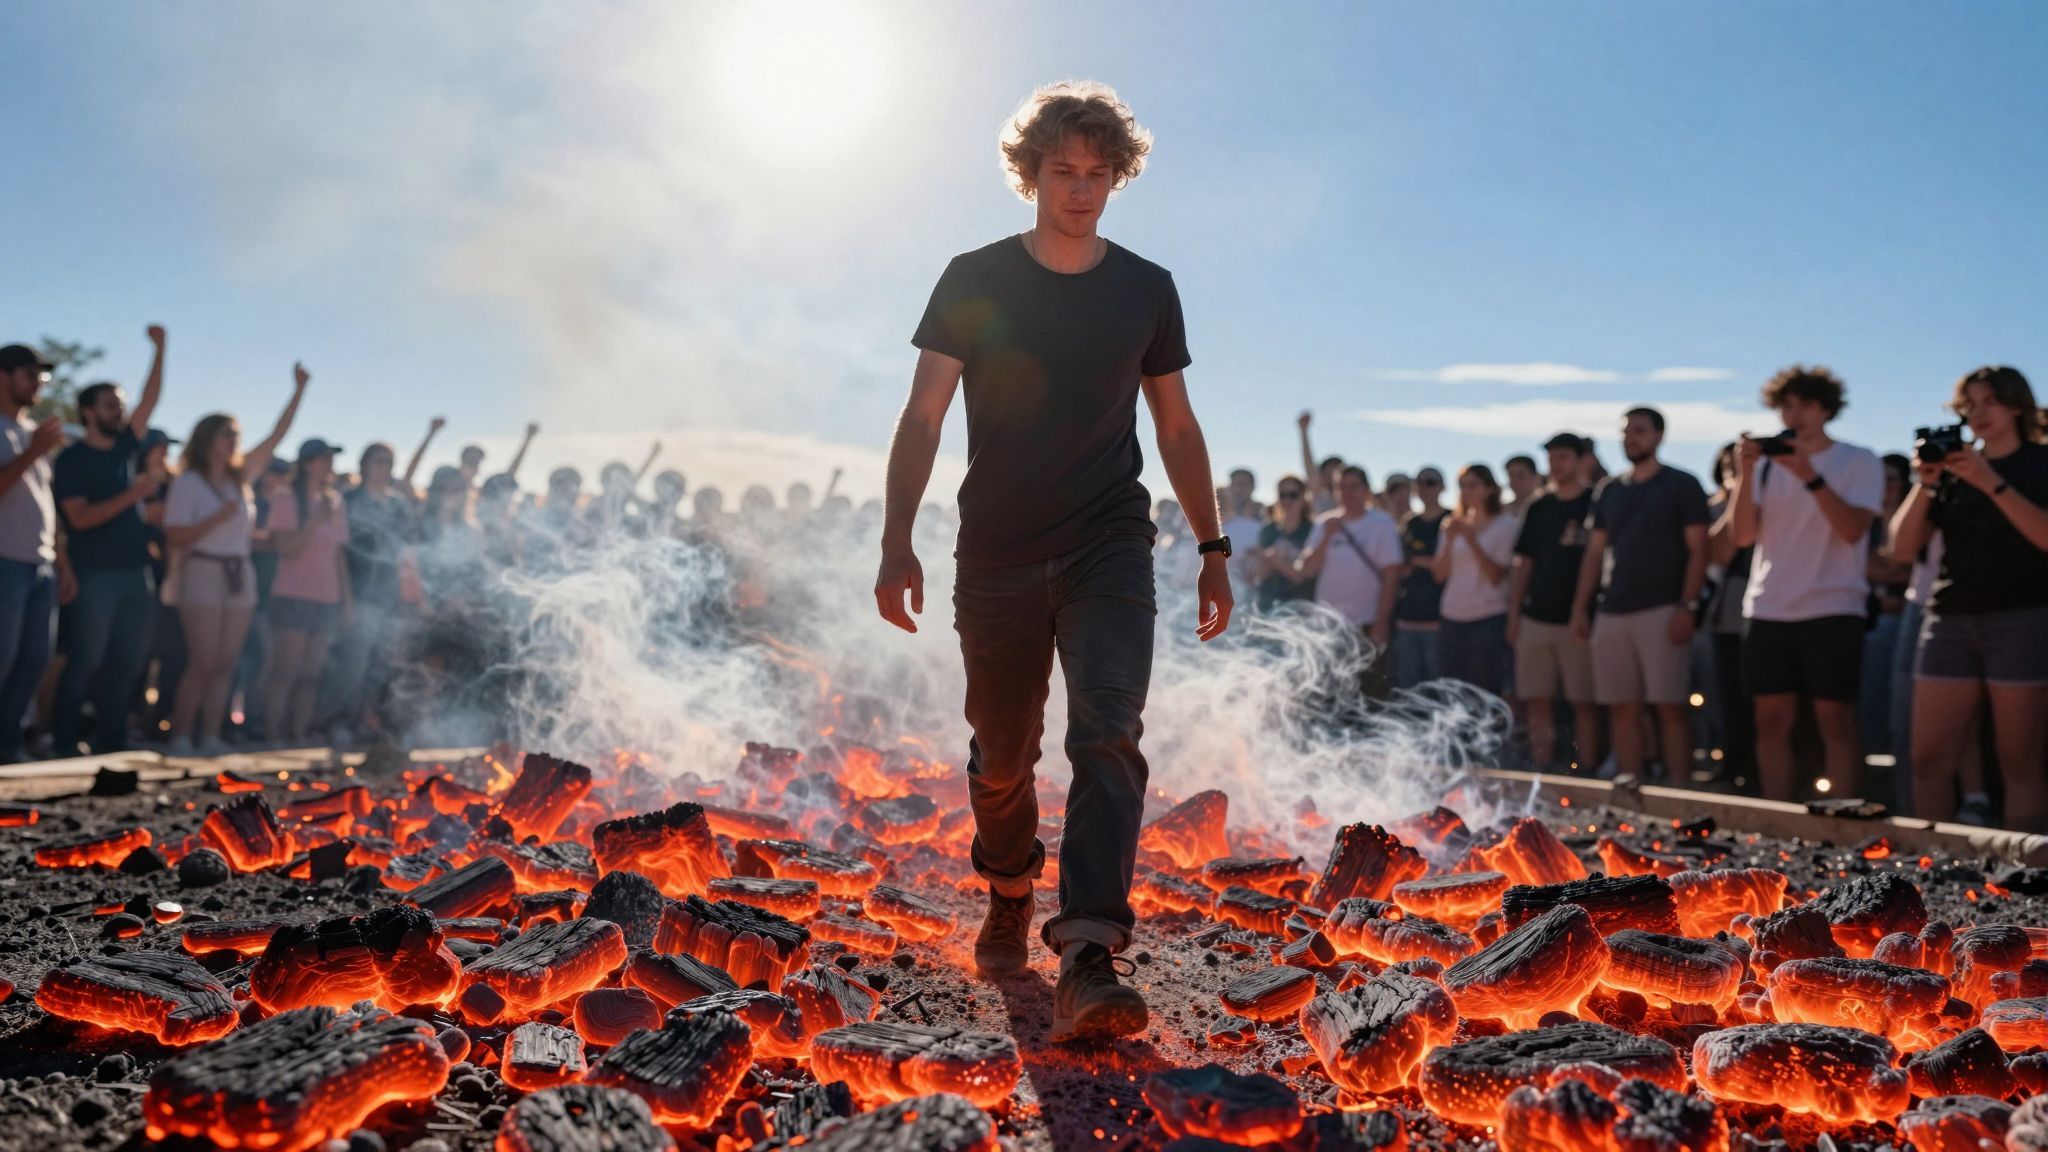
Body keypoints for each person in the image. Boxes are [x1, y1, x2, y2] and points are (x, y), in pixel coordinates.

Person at [874, 81, 1231, 1042]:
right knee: (1002, 756)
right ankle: (1007, 887)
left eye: (1098, 174)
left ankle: (1088, 951)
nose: (1081, 189)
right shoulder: (974, 277)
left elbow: (1179, 427)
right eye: (1063, 171)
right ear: (1029, 173)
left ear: (1118, 178)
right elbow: (921, 415)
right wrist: (895, 537)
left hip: (1111, 541)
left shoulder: (1146, 288)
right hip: (994, 551)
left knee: (1108, 732)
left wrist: (1212, 545)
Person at [1889, 366, 2048, 831]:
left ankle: (2027, 879)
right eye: (1970, 405)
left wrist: (1989, 482)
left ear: (2016, 405)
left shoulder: (2040, 463)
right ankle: (1931, 874)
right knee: (1929, 756)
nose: (1978, 414)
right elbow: (1900, 548)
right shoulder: (1953, 469)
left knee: (2019, 758)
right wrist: (1925, 482)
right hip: (1949, 618)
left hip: (2023, 616)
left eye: (1989, 402)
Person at [1729, 366, 1883, 802]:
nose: (1794, 415)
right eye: (1786, 405)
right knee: (1770, 721)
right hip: (1768, 606)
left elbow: (1854, 529)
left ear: (1827, 408)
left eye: (1805, 405)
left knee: (1835, 719)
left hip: (1834, 606)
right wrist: (1743, 473)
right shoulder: (1764, 468)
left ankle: (1843, 816)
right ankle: (1779, 816)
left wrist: (1808, 474)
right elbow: (1742, 537)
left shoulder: (1859, 459)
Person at [162, 363, 309, 755]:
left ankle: (211, 735)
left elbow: (276, 437)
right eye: (227, 434)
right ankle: (180, 735)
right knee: (203, 661)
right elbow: (174, 534)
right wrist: (216, 518)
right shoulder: (188, 482)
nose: (234, 441)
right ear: (208, 438)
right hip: (203, 570)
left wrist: (298, 391)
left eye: (237, 435)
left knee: (227, 661)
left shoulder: (240, 480)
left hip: (238, 573)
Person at [1571, 408, 1709, 782]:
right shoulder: (1609, 490)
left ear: (1659, 436)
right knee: (1621, 708)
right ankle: (1630, 795)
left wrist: (1688, 605)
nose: (1630, 438)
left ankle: (1682, 793)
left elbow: (1699, 549)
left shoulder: (1682, 484)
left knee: (1670, 707)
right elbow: (1595, 553)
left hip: (1664, 607)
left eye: (1640, 430)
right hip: (1612, 611)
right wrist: (1581, 608)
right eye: (1625, 431)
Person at [51, 325, 167, 755]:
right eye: (109, 406)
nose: (118, 412)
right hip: (94, 573)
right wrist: (132, 496)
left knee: (128, 663)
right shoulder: (73, 459)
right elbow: (79, 518)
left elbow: (150, 398)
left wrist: (160, 349)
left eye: (120, 405)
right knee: (86, 660)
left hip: (136, 573)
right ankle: (63, 741)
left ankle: (111, 742)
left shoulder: (125, 450)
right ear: (87, 412)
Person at [1509, 434, 1599, 771]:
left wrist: (1583, 609)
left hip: (1579, 619)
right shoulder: (1538, 506)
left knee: (1583, 701)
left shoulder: (1596, 501)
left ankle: (1587, 767)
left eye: (1563, 457)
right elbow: (1523, 563)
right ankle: (1542, 768)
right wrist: (1514, 615)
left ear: (1580, 461)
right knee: (1537, 698)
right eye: (1551, 458)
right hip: (1536, 617)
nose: (1556, 465)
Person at [0, 345, 69, 761]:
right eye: (30, 373)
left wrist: (63, 562)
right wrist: (31, 453)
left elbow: (46, 505)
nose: (39, 382)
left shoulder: (31, 433)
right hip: (4, 561)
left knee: (33, 662)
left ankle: (8, 744)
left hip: (39, 565)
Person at [261, 439, 351, 745]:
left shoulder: (335, 501)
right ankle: (273, 734)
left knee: (312, 673)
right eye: (324, 459)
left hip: (326, 597)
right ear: (308, 463)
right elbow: (286, 548)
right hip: (293, 595)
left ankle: (299, 733)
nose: (329, 465)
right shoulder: (287, 498)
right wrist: (314, 520)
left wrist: (345, 600)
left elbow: (338, 556)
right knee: (286, 669)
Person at [326, 441, 414, 739]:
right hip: (357, 592)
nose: (383, 468)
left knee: (381, 663)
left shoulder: (399, 505)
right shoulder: (348, 500)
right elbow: (337, 552)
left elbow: (405, 554)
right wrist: (346, 599)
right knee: (353, 661)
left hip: (389, 597)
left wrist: (407, 598)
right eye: (378, 461)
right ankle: (340, 722)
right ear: (364, 464)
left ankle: (367, 721)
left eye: (389, 462)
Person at [1294, 466, 1405, 692]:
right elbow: (1307, 570)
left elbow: (1391, 576)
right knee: (1330, 691)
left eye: (1354, 487)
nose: (1348, 493)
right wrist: (1326, 537)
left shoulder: (1381, 524)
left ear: (1366, 490)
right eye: (1342, 487)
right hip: (1329, 625)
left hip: (1366, 623)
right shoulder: (1325, 523)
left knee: (1368, 691)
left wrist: (1381, 622)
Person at [1433, 465, 1516, 695]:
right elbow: (1439, 575)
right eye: (1462, 486)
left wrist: (1471, 540)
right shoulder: (1450, 525)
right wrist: (1449, 541)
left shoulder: (1505, 526)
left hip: (1487, 620)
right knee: (1453, 690)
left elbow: (1496, 576)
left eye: (1473, 485)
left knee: (1484, 690)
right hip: (1452, 617)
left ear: (1489, 489)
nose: (1466, 491)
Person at [1704, 442, 1756, 788]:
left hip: (1761, 613)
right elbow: (1718, 550)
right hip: (1723, 614)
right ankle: (1730, 760)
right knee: (1726, 696)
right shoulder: (1713, 507)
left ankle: (1755, 769)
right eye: (1728, 467)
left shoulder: (1763, 500)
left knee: (1756, 696)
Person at [1861, 454, 1913, 757]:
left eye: (1892, 479)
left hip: (1907, 615)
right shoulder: (1865, 518)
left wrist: (1890, 568)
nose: (1886, 486)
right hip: (1869, 615)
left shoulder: (1916, 512)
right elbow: (1865, 567)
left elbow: (1906, 563)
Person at [1391, 467, 1449, 687]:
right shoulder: (1409, 523)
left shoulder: (1451, 520)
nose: (1424, 488)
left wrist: (1417, 560)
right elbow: (1401, 565)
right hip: (1407, 615)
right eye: (1420, 483)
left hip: (1440, 617)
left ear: (1443, 487)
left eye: (1431, 482)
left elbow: (1443, 568)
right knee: (1408, 685)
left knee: (1439, 684)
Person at [1251, 475, 1316, 613]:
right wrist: (1269, 561)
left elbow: (1302, 576)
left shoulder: (1312, 530)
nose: (1287, 500)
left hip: (1299, 608)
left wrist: (1275, 561)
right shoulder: (1268, 529)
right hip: (1266, 606)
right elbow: (1258, 575)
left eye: (1293, 495)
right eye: (1282, 495)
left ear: (1304, 497)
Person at [1296, 411, 1344, 515]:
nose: (1333, 477)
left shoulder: (1353, 501)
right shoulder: (1320, 497)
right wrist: (1303, 431)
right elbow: (1309, 467)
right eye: (1329, 471)